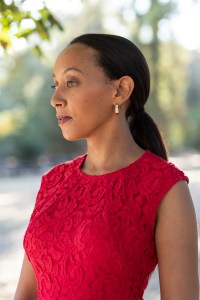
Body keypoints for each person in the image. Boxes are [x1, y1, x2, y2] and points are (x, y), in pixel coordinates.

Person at [14, 33, 199, 300]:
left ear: (120, 90)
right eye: (54, 85)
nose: (56, 99)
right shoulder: (52, 182)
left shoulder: (166, 188)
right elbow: (25, 294)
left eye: (72, 82)